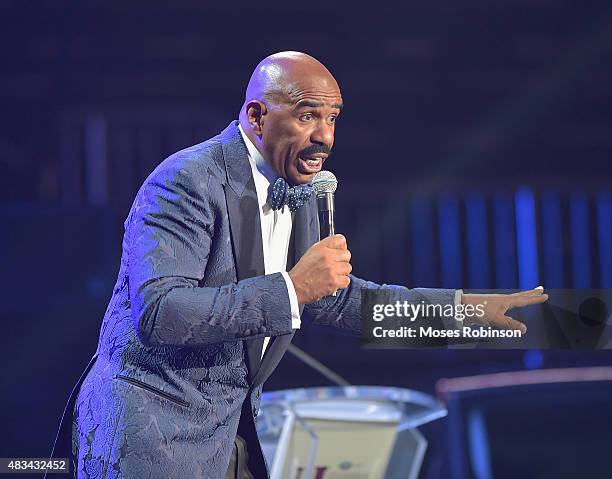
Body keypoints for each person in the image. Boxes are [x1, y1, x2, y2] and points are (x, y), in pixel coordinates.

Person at [62, 51, 547, 478]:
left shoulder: (301, 193)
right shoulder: (185, 180)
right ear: (256, 115)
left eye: (333, 118)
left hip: (229, 438)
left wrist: (470, 314)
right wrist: (292, 289)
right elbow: (159, 313)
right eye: (307, 116)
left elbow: (340, 302)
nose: (325, 136)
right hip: (151, 439)